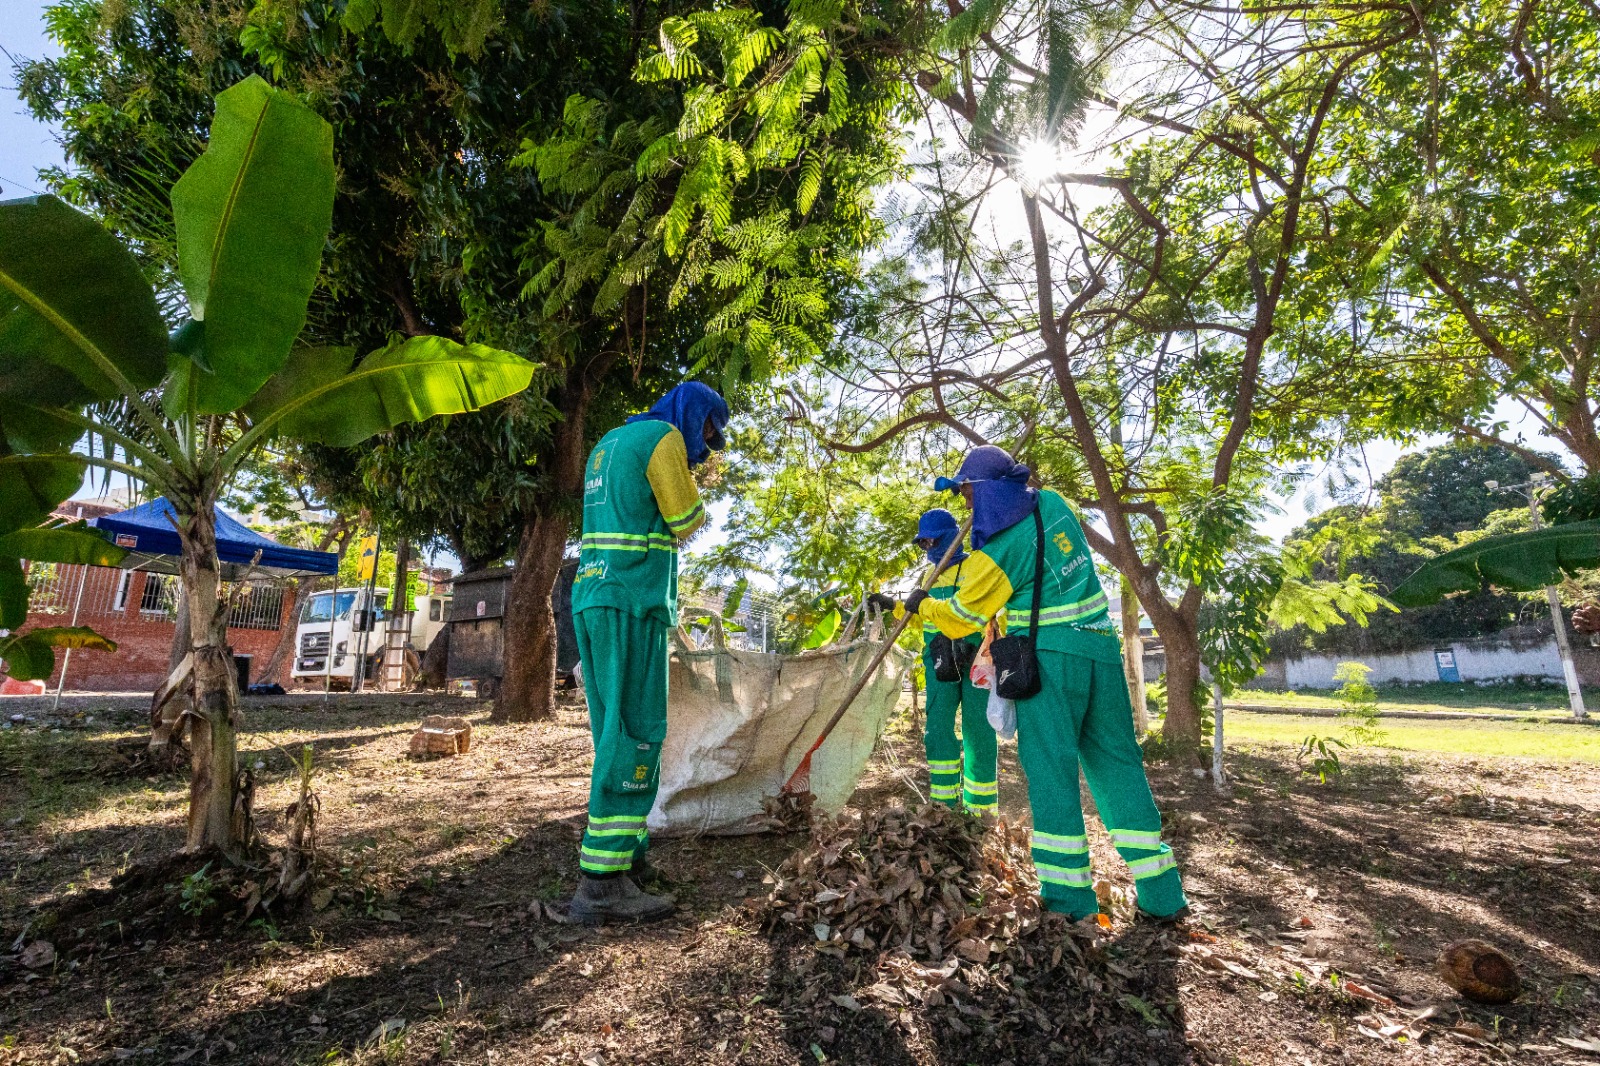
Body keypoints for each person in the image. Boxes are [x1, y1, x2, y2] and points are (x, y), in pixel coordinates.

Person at [902, 445, 1188, 923]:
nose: (967, 506)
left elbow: (958, 620)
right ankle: (1162, 895)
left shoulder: (997, 555)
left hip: (1052, 663)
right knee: (1118, 765)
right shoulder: (1053, 504)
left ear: (989, 491)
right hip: (1101, 650)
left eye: (969, 494)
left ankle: (1069, 903)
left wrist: (919, 605)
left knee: (1051, 773)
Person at [566, 381, 729, 924]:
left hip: (592, 596)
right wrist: (687, 477)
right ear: (694, 414)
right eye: (707, 431)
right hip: (633, 600)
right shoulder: (663, 440)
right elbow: (687, 520)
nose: (705, 447)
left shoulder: (611, 441)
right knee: (637, 732)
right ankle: (601, 887)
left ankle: (624, 857)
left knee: (611, 729)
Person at [874, 510, 998, 813]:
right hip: (939, 662)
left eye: (934, 541)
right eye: (924, 544)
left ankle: (980, 811)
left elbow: (981, 612)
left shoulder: (976, 567)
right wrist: (893, 605)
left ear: (953, 537)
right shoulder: (928, 577)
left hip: (976, 661)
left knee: (978, 730)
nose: (929, 548)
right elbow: (920, 620)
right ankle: (943, 807)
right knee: (938, 731)